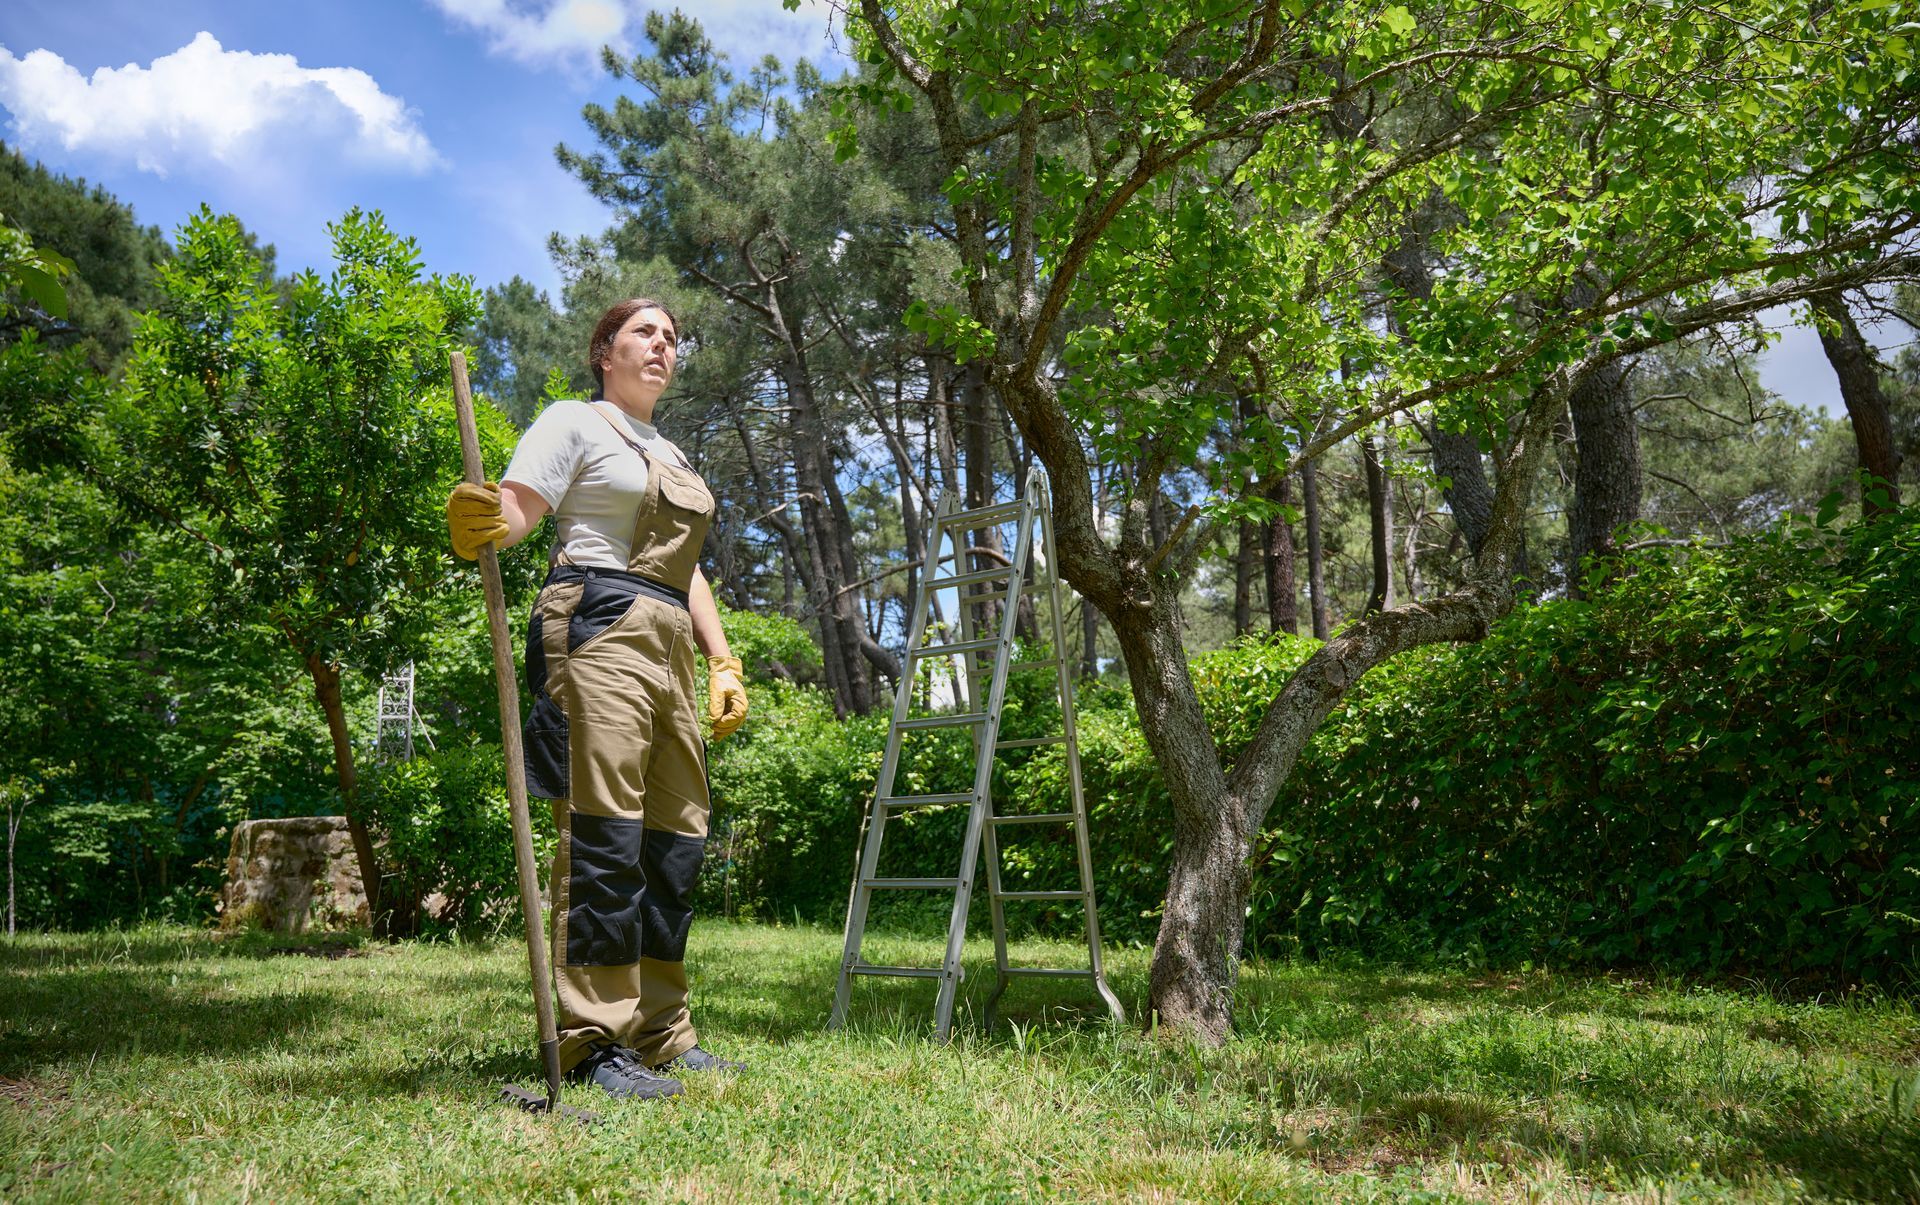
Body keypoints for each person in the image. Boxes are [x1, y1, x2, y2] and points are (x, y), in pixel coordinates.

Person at [444, 298, 748, 1102]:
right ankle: (593, 1038)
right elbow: (519, 507)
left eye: (674, 337)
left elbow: (689, 571)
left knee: (674, 840)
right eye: (646, 332)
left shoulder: (674, 452)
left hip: (671, 638)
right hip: (599, 626)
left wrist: (724, 661)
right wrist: (487, 521)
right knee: (605, 830)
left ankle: (663, 1033)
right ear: (604, 350)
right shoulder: (573, 422)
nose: (664, 345)